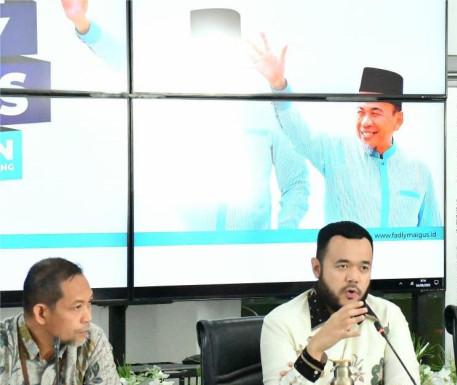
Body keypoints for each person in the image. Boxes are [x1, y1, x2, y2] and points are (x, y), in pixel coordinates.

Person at [61, 1, 310, 231]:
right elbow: (125, 63)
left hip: (252, 253)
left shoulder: (266, 108)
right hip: (185, 251)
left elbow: (295, 184)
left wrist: (278, 241)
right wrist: (83, 23)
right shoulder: (178, 99)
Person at [250, 36, 441, 227]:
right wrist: (279, 86)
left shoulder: (419, 172)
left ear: (398, 120)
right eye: (361, 111)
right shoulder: (336, 152)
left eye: (375, 112)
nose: (365, 122)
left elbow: (432, 234)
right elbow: (298, 133)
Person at [260, 221, 420, 385]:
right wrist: (316, 347)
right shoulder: (280, 321)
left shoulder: (388, 316)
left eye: (364, 267)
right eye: (342, 266)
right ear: (317, 268)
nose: (353, 277)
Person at [0, 258, 127, 385]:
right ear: (41, 313)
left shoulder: (92, 339)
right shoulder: (4, 344)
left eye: (89, 303)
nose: (88, 317)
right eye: (77, 307)